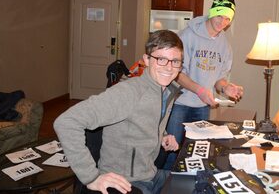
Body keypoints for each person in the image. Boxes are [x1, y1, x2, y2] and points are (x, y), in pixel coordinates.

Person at [54, 30, 184, 194]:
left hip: (149, 174)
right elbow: (67, 122)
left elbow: (145, 120)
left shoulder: (166, 91)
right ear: (147, 60)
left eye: (175, 61)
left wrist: (162, 134)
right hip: (125, 182)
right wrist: (91, 177)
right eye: (161, 59)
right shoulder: (128, 92)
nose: (169, 67)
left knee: (198, 183)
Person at [163, 0, 244, 170]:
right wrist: (200, 90)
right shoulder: (186, 36)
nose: (222, 22)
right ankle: (164, 184)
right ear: (212, 11)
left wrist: (225, 88)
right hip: (179, 103)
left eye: (228, 19)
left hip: (202, 107)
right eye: (220, 16)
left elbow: (218, 79)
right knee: (172, 151)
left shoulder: (225, 46)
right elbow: (176, 73)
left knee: (196, 152)